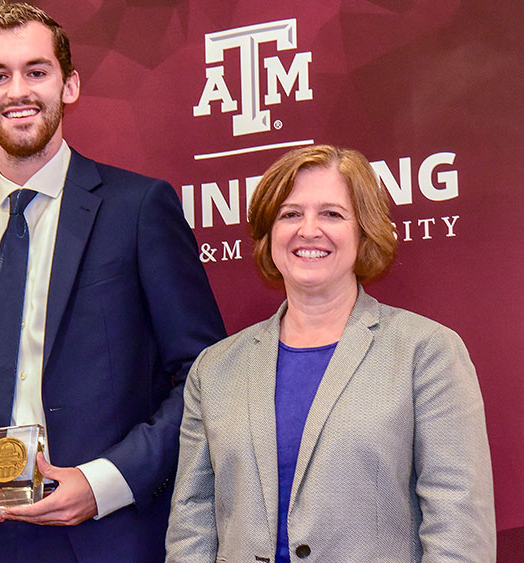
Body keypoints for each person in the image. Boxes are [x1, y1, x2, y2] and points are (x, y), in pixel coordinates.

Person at [0, 4, 226, 561]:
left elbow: (203, 377)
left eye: (37, 72)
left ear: (69, 85)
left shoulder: (138, 209)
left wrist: (106, 481)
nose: (18, 91)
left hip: (101, 532)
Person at [165, 145, 495, 561]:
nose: (308, 230)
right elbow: (191, 524)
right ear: (269, 237)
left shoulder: (426, 353)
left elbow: (458, 528)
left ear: (364, 231)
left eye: (331, 214)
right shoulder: (214, 369)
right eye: (290, 214)